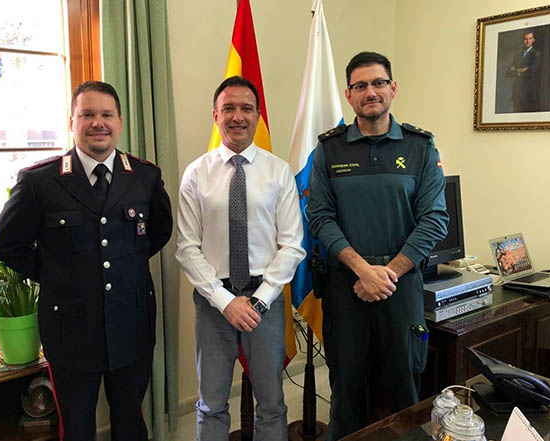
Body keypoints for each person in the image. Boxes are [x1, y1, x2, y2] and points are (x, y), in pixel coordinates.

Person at [0, 81, 172, 441]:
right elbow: (7, 244)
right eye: (87, 114)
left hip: (131, 323)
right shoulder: (40, 181)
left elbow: (158, 233)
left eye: (106, 114)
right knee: (76, 428)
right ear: (71, 121)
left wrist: (124, 266)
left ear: (119, 122)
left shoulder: (145, 176)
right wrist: (58, 274)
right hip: (69, 330)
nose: (98, 123)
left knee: (130, 423)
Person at [308, 52, 449, 440]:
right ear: (349, 95)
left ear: (393, 88)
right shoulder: (329, 150)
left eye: (378, 83)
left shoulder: (421, 147)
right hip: (345, 288)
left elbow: (435, 219)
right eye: (360, 86)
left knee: (405, 392)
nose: (370, 92)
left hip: (400, 288)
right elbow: (319, 217)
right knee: (345, 393)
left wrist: (387, 273)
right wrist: (362, 270)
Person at [176, 76, 306, 441]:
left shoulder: (278, 171)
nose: (237, 116)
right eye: (228, 108)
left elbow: (292, 245)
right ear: (215, 115)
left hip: (265, 300)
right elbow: (187, 247)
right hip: (213, 303)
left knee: (272, 403)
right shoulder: (196, 174)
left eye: (246, 108)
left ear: (257, 116)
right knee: (211, 403)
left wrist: (259, 301)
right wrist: (225, 301)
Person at [506, 30, 542, 112]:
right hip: (517, 93)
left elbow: (532, 71)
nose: (527, 41)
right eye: (526, 39)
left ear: (533, 40)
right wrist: (521, 70)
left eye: (530, 38)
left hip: (529, 94)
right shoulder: (517, 56)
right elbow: (508, 73)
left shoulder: (537, 54)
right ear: (523, 40)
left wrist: (516, 70)